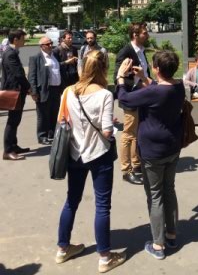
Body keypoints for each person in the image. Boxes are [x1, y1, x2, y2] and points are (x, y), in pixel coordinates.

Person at [56, 50, 126, 273]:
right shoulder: (104, 94)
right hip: (98, 154)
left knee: (71, 201)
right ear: (104, 68)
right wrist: (112, 125)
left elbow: (62, 121)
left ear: (83, 67)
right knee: (102, 205)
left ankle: (63, 248)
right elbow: (107, 131)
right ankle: (105, 257)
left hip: (74, 154)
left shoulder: (68, 91)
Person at [116, 50, 185, 260]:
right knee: (169, 190)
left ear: (156, 69)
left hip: (152, 151)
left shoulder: (154, 93)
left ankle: (157, 244)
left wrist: (120, 77)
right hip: (172, 147)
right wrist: (144, 79)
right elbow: (157, 90)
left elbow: (125, 99)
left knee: (155, 196)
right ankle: (171, 234)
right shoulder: (178, 86)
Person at [113, 22, 150, 185]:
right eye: (144, 33)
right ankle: (126, 170)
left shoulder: (141, 51)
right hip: (130, 97)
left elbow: (144, 73)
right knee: (128, 134)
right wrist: (135, 83)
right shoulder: (126, 52)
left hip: (142, 96)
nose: (147, 35)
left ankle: (136, 165)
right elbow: (117, 76)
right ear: (135, 35)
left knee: (137, 132)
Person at [1, 29, 31, 160]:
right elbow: (18, 74)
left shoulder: (12, 52)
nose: (25, 40)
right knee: (12, 122)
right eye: (23, 38)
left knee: (16, 120)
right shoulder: (10, 53)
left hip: (17, 91)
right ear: (16, 40)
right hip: (14, 91)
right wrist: (29, 87)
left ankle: (13, 145)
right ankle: (7, 151)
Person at [28, 37, 62, 145]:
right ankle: (42, 136)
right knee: (43, 115)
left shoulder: (54, 56)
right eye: (48, 44)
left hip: (56, 89)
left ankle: (51, 134)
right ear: (42, 46)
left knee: (54, 113)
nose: (51, 45)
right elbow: (31, 76)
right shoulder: (36, 58)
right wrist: (33, 92)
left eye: (51, 43)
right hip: (43, 90)